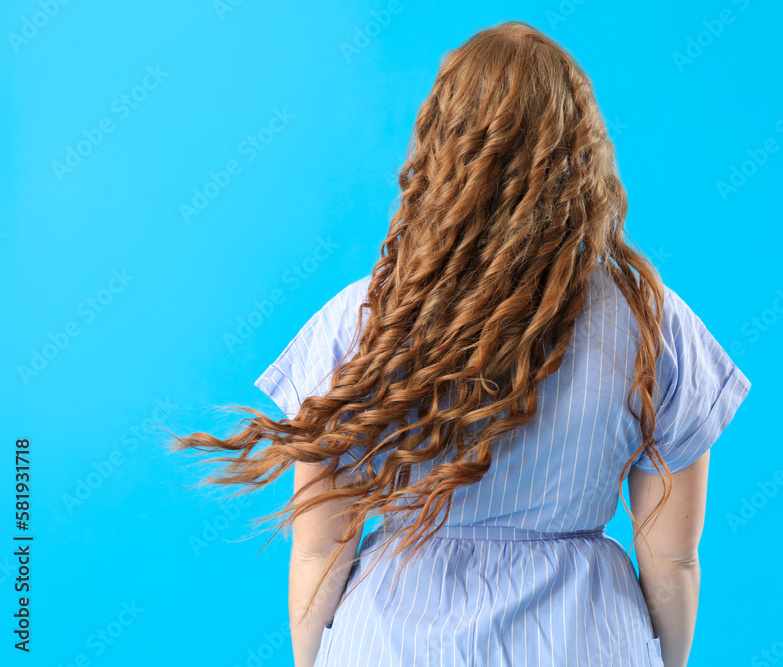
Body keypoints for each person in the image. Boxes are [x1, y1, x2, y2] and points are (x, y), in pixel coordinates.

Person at [172, 20, 750, 667]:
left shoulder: (356, 323)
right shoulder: (654, 324)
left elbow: (319, 548)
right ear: (580, 152)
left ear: (440, 148)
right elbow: (670, 557)